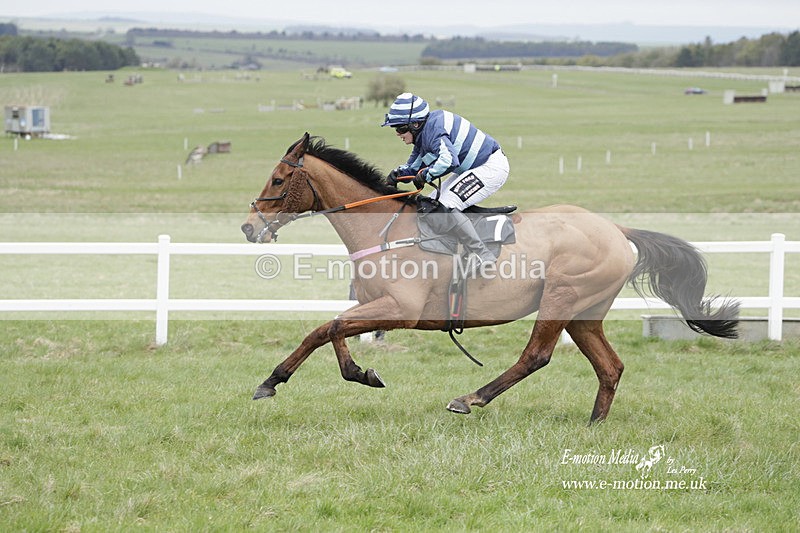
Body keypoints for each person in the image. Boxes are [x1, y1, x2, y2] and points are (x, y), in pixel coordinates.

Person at [382, 92, 509, 270]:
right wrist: (397, 175)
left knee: (446, 205)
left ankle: (483, 254)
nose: (398, 134)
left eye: (401, 129)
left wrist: (426, 175)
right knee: (429, 206)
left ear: (415, 124)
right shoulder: (423, 134)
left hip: (490, 167)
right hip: (471, 168)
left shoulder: (434, 130)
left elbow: (449, 161)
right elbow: (415, 164)